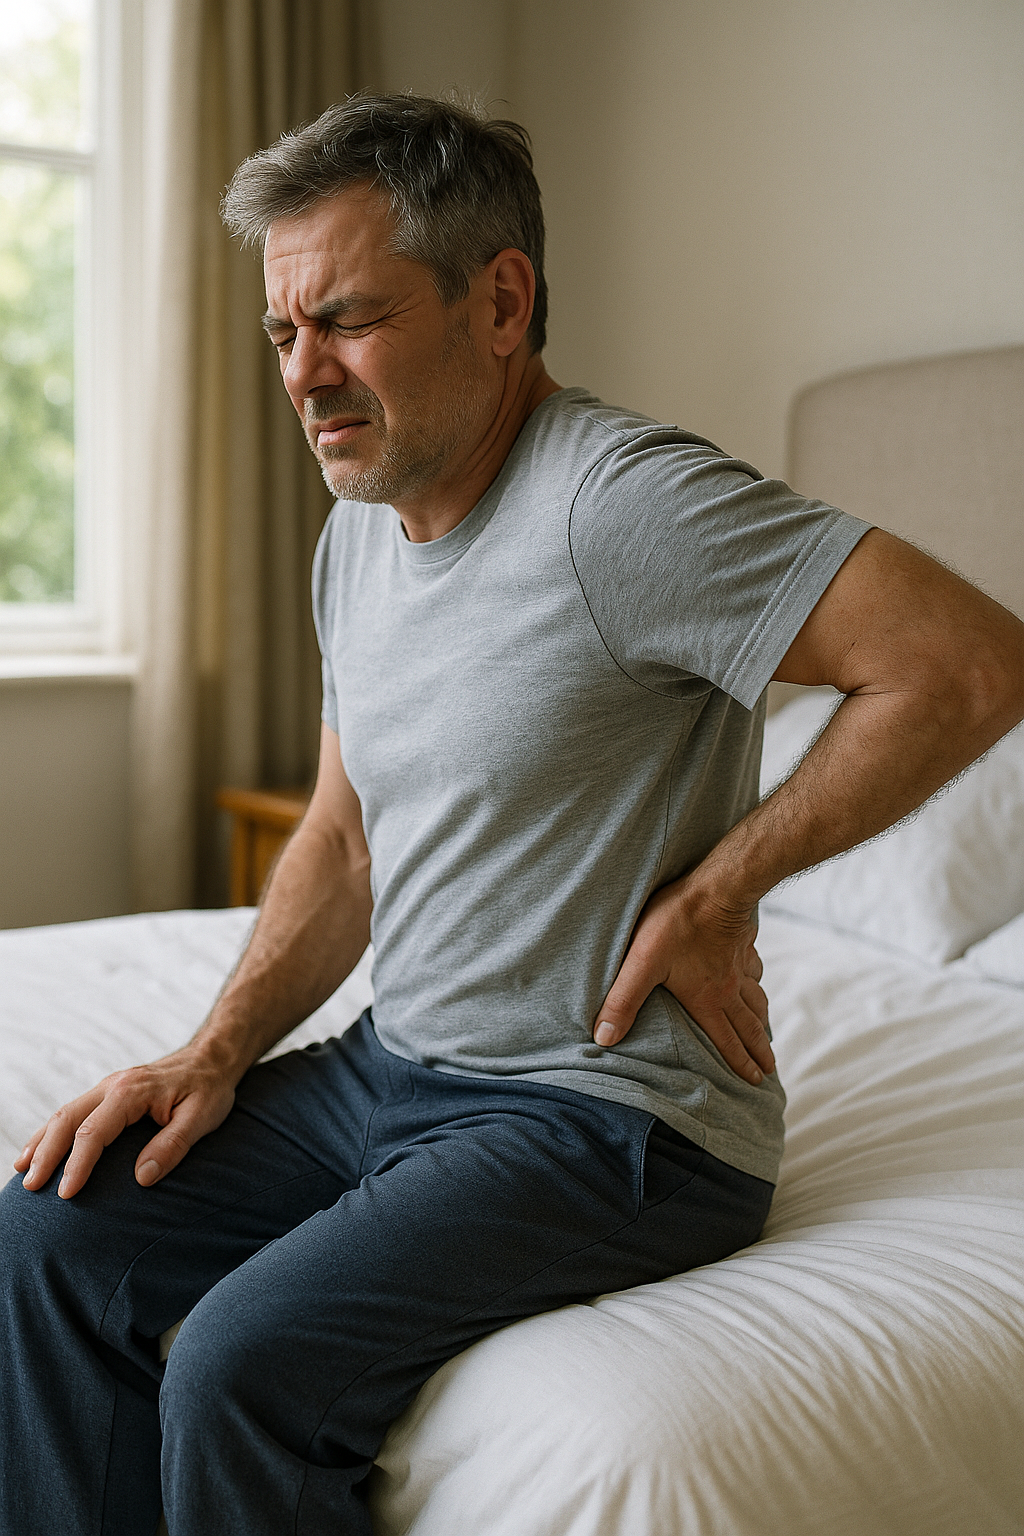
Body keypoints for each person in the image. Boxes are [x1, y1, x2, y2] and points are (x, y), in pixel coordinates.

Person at [3, 94, 1023, 1536]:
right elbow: (346, 842)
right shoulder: (356, 529)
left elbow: (968, 663)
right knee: (42, 1245)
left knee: (242, 1364)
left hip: (614, 1119)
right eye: (285, 334)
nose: (307, 375)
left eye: (349, 320)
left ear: (500, 300)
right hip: (395, 1071)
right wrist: (212, 1051)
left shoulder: (623, 506)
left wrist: (723, 891)